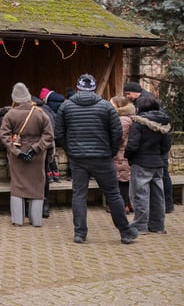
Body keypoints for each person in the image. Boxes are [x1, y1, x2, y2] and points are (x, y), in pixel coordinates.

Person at [54, 73, 138, 245]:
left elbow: (59, 133)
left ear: (78, 87)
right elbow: (116, 134)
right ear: (93, 87)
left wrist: (71, 150)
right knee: (113, 195)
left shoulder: (66, 106)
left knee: (79, 195)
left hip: (78, 158)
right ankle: (125, 232)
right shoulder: (106, 107)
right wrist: (111, 151)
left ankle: (80, 233)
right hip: (102, 157)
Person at [0, 83, 53, 227]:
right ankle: (36, 220)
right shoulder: (40, 113)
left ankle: (18, 220)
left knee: (17, 185)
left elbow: (4, 136)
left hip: (17, 153)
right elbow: (49, 135)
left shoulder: (10, 114)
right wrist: (36, 148)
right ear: (28, 96)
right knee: (37, 185)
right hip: (37, 154)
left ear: (14, 98)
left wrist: (17, 152)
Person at [124, 82, 173, 213]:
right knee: (161, 179)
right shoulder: (149, 100)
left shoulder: (144, 103)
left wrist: (129, 156)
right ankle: (165, 208)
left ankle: (144, 219)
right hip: (157, 151)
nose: (128, 96)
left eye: (128, 93)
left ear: (136, 92)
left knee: (144, 188)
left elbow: (134, 143)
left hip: (147, 155)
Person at [110, 95, 134, 213]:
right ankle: (128, 204)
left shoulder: (122, 119)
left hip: (121, 154)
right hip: (122, 153)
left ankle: (124, 206)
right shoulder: (124, 117)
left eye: (112, 104)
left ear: (119, 106)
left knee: (123, 180)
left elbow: (119, 137)